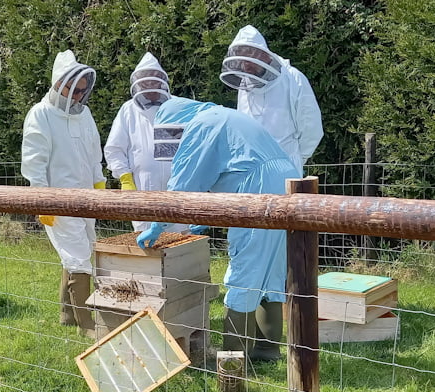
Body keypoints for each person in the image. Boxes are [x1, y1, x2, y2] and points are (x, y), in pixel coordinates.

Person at [136, 97, 300, 361]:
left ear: (178, 123)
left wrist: (157, 225)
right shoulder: (222, 117)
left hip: (259, 194)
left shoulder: (202, 125)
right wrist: (206, 218)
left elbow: (183, 184)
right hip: (286, 184)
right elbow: (226, 174)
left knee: (244, 272)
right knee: (271, 271)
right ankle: (267, 350)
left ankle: (232, 362)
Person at [21, 50, 106, 332]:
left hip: (87, 199)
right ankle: (87, 326)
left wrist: (99, 185)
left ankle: (67, 316)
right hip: (57, 200)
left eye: (84, 90)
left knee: (80, 251)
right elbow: (34, 163)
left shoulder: (85, 115)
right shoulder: (41, 115)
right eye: (75, 90)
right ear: (59, 84)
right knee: (78, 256)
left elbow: (95, 154)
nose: (80, 96)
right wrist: (42, 200)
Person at [220, 24, 324, 176]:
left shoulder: (294, 79)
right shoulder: (245, 83)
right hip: (250, 171)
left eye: (249, 56)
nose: (245, 64)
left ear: (264, 55)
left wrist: (295, 159)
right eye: (242, 58)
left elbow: (311, 128)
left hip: (286, 169)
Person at [104, 52, 186, 232]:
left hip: (178, 189)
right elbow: (114, 149)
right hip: (142, 188)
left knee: (180, 245)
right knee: (147, 244)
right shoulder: (128, 110)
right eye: (145, 83)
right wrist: (125, 177)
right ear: (137, 84)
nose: (149, 87)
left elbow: (194, 146)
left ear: (161, 82)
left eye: (153, 81)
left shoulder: (178, 107)